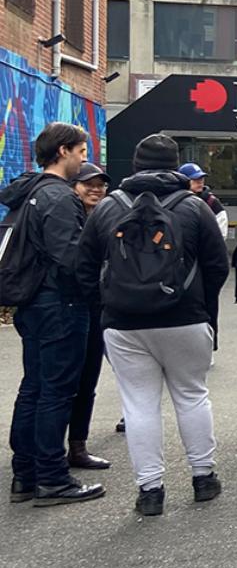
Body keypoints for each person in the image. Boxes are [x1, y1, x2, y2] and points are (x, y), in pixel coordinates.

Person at [76, 135, 230, 516]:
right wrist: (200, 306)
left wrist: (108, 305)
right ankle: (203, 477)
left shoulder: (108, 207)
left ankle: (150, 491)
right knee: (192, 395)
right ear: (176, 165)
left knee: (140, 405)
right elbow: (217, 266)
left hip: (123, 322)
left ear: (136, 165)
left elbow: (82, 267)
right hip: (185, 318)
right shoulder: (194, 207)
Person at [2, 123, 103, 506]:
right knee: (57, 393)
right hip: (60, 304)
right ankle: (52, 478)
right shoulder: (60, 198)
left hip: (33, 302)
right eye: (80, 151)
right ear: (63, 151)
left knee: (34, 388)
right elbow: (71, 258)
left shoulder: (30, 193)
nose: (83, 159)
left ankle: (25, 475)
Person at [66, 162, 112, 470]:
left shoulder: (104, 217)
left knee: (88, 379)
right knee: (62, 382)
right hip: (70, 307)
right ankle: (47, 450)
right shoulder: (66, 216)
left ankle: (77, 446)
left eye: (100, 184)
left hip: (96, 309)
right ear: (74, 186)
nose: (95, 189)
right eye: (88, 183)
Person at [179, 162, 228, 238]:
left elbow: (221, 233)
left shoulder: (211, 202)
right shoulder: (174, 200)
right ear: (183, 180)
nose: (200, 182)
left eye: (201, 178)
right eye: (195, 179)